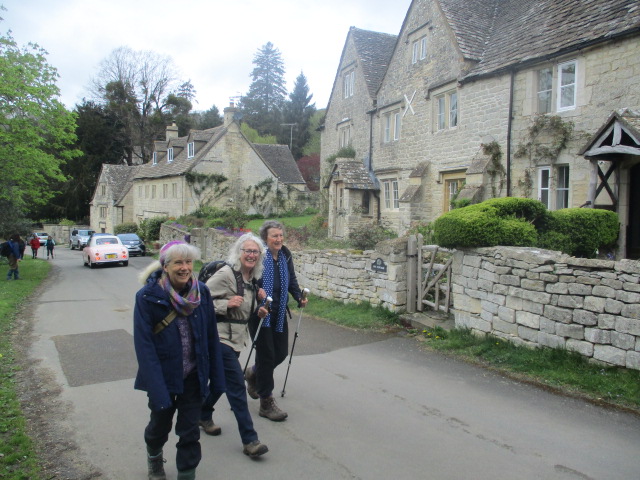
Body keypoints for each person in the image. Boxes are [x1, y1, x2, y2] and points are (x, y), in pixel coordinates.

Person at [133, 241, 225, 480]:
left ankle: (186, 474)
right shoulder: (147, 297)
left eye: (188, 262)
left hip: (194, 375)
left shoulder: (201, 292)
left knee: (189, 432)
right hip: (163, 376)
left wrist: (217, 378)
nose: (185, 268)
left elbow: (211, 337)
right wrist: (157, 389)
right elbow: (144, 347)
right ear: (165, 266)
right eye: (178, 263)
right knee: (159, 426)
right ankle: (154, 457)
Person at [200, 233, 270, 457]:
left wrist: (257, 312)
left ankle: (202, 413)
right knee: (237, 388)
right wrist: (224, 304)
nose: (251, 255)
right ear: (238, 253)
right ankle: (250, 440)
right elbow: (197, 300)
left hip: (236, 340)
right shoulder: (226, 274)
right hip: (219, 338)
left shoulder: (252, 280)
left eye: (255, 252)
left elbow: (243, 313)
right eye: (247, 251)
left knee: (220, 384)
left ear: (260, 256)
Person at [245, 220, 308, 421]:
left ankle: (253, 373)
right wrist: (256, 294)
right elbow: (246, 279)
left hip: (279, 312)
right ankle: (266, 401)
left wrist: (298, 296)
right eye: (274, 236)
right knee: (266, 356)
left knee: (280, 353)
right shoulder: (257, 255)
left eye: (280, 235)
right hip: (260, 313)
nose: (279, 239)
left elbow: (291, 278)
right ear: (265, 238)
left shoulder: (285, 255)